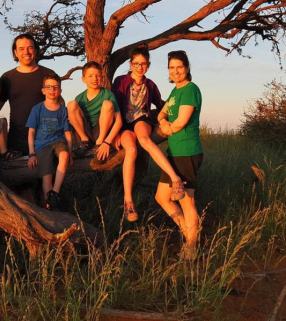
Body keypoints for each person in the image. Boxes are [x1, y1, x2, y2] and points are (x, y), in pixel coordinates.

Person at [112, 45, 186, 222]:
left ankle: (175, 180)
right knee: (130, 150)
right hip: (123, 125)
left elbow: (162, 105)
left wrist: (170, 117)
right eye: (136, 63)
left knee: (144, 139)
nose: (140, 67)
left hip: (142, 120)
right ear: (130, 64)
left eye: (143, 64)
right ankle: (129, 202)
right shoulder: (120, 81)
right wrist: (113, 133)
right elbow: (114, 108)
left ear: (148, 65)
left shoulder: (150, 84)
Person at [155, 50, 203, 260]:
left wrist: (165, 128)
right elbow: (162, 113)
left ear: (187, 68)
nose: (175, 71)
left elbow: (181, 122)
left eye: (179, 67)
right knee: (161, 197)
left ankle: (191, 247)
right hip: (174, 152)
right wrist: (164, 122)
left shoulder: (191, 90)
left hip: (187, 152)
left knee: (187, 202)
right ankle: (189, 233)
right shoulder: (175, 91)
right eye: (171, 68)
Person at [26, 74, 73, 210]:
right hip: (42, 145)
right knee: (47, 178)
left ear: (60, 91)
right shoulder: (37, 109)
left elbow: (67, 133)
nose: (52, 90)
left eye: (55, 87)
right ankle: (50, 207)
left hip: (58, 142)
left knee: (64, 155)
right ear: (43, 90)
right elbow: (31, 132)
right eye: (49, 87)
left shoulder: (63, 110)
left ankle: (55, 193)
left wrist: (71, 153)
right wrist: (31, 154)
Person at [67, 61, 122, 164]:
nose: (94, 79)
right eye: (90, 76)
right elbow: (74, 123)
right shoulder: (80, 98)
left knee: (107, 104)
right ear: (83, 79)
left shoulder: (108, 94)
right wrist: (79, 142)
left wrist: (108, 141)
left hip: (102, 132)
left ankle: (99, 143)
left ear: (102, 77)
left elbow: (119, 121)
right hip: (85, 133)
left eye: (98, 76)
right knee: (71, 105)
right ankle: (84, 143)